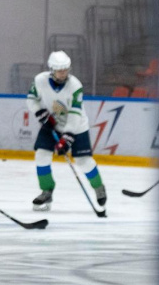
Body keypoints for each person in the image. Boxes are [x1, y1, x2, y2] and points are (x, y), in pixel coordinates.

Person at [27, 51, 106, 211]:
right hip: (52, 124)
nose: (63, 73)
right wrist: (40, 113)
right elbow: (31, 99)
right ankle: (47, 190)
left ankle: (98, 187)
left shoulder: (75, 86)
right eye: (59, 70)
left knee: (83, 161)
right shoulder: (40, 80)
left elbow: (75, 113)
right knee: (41, 154)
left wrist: (67, 137)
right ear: (52, 70)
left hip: (77, 127)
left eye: (65, 70)